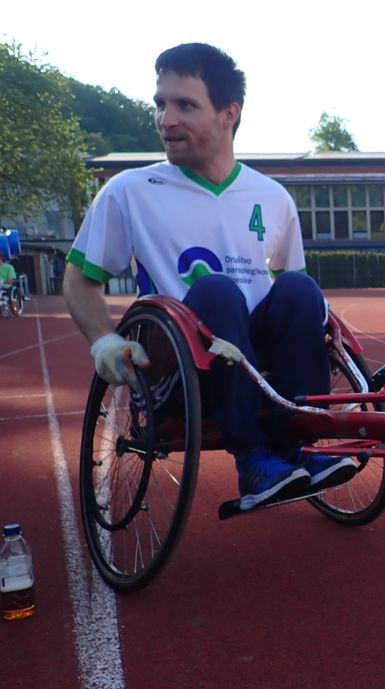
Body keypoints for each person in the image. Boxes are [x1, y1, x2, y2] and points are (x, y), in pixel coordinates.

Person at [63, 42, 354, 511]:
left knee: (301, 290)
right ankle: (252, 457)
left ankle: (297, 442)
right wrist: (103, 342)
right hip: (179, 367)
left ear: (228, 114)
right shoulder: (129, 191)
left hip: (257, 362)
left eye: (184, 105)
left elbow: (293, 303)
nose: (166, 120)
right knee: (217, 291)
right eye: (160, 104)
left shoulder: (272, 197)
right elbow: (79, 278)